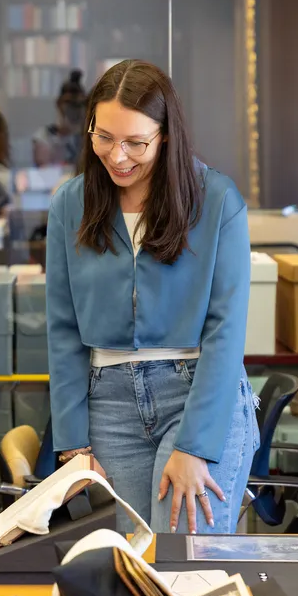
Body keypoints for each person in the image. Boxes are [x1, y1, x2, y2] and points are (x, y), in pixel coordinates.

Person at [45, 59, 259, 536]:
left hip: (194, 394)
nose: (118, 156)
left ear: (166, 135)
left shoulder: (217, 200)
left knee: (185, 565)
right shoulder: (70, 205)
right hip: (109, 405)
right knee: (129, 569)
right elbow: (62, 331)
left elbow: (227, 331)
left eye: (136, 143)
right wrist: (72, 445)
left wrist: (196, 446)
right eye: (104, 137)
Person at [32, 70, 87, 168]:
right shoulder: (43, 137)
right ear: (59, 103)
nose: (74, 108)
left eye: (79, 104)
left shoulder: (88, 139)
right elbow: (43, 171)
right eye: (69, 103)